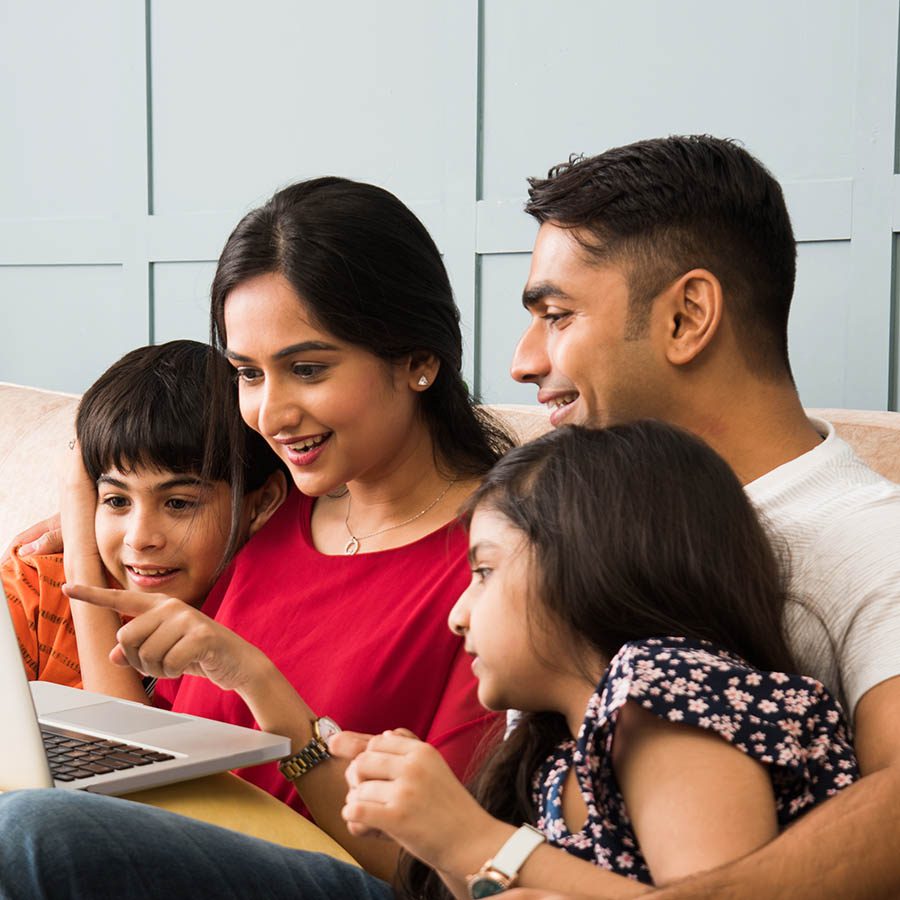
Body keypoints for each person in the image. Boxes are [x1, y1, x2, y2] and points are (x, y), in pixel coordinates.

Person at [0, 422, 859, 899]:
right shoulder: (566, 741)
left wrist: (483, 844)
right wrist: (439, 833)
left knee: (35, 830)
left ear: (587, 566)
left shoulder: (669, 688)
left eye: (483, 572)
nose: (456, 611)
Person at [45, 177, 515, 879]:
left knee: (32, 834)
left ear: (418, 360)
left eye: (306, 368)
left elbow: (443, 868)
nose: (271, 412)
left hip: (351, 879)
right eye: (249, 374)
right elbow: (140, 763)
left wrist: (263, 687)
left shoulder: (503, 554)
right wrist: (85, 532)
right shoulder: (268, 506)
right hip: (170, 854)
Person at [506, 135, 900, 898]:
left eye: (556, 314)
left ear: (687, 316)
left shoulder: (873, 540)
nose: (522, 359)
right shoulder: (572, 517)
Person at [3, 340, 287, 699]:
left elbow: (131, 752)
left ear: (261, 504)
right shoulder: (36, 586)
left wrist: (83, 566)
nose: (139, 538)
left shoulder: (247, 630)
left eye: (179, 504)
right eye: (117, 500)